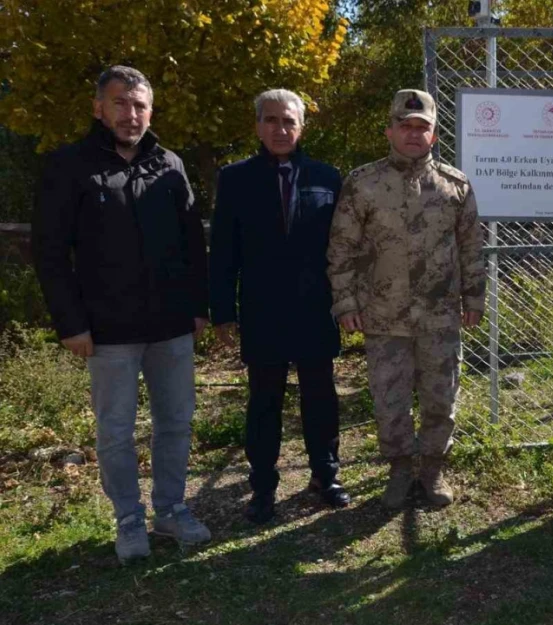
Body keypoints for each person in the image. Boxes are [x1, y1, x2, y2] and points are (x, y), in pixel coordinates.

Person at [32, 66, 210, 562]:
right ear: (98, 108)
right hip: (107, 329)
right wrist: (71, 323)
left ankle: (171, 509)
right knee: (115, 430)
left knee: (176, 421)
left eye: (139, 105)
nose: (130, 114)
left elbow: (193, 244)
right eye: (119, 103)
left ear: (150, 111)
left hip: (171, 325)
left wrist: (198, 308)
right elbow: (49, 253)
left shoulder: (169, 164)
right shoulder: (70, 167)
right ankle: (129, 520)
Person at [327, 89, 485, 509]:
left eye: (423, 127)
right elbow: (342, 247)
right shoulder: (363, 184)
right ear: (390, 131)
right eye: (406, 126)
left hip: (440, 315)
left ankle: (432, 470)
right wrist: (345, 304)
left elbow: (471, 247)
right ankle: (399, 471)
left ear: (434, 135)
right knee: (389, 398)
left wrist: (475, 297)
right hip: (383, 315)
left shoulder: (455, 186)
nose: (414, 134)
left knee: (441, 397)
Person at [209, 89, 348, 525]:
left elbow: (343, 248)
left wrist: (346, 302)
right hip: (262, 311)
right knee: (264, 400)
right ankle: (263, 487)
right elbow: (223, 252)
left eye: (289, 121)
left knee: (320, 396)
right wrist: (223, 312)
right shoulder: (235, 179)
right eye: (271, 120)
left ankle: (325, 475)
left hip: (315, 310)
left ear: (301, 126)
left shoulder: (328, 177)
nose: (280, 129)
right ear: (257, 126)